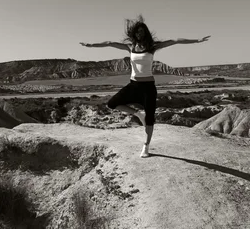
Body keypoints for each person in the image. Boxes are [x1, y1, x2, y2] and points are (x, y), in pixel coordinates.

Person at [80, 15, 210, 158]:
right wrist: (91, 45)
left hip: (148, 87)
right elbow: (110, 43)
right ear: (134, 34)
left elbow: (175, 41)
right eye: (137, 32)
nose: (139, 34)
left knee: (149, 119)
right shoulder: (130, 47)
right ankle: (137, 114)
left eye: (142, 31)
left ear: (145, 32)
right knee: (112, 103)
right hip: (133, 85)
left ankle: (146, 146)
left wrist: (197, 40)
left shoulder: (152, 47)